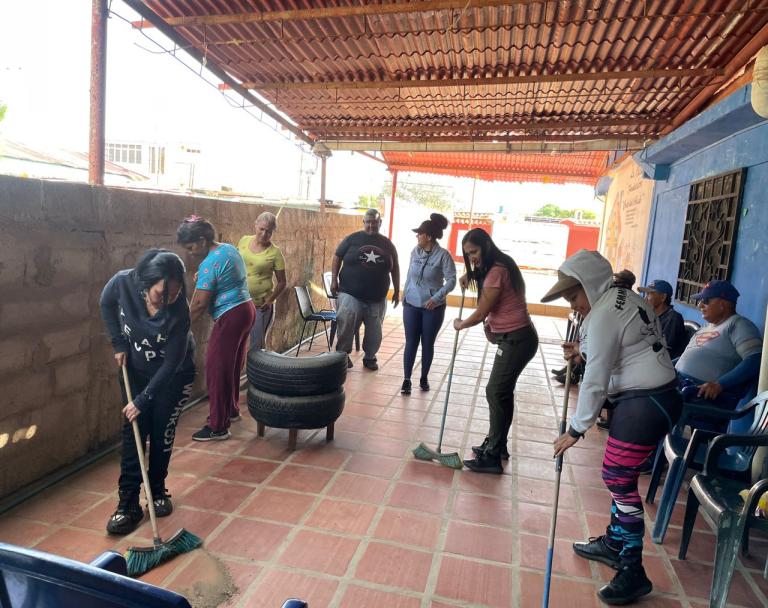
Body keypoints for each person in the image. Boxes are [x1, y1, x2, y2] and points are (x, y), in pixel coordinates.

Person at [543, 249, 681, 605]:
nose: (574, 305)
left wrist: (576, 429)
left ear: (589, 284)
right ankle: (616, 543)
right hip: (653, 397)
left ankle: (633, 569)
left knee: (618, 478)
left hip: (645, 402)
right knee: (619, 477)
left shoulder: (603, 313)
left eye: (573, 296)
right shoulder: (621, 298)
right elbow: (625, 347)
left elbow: (595, 379)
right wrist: (582, 352)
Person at [99, 249, 196, 535]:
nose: (168, 301)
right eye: (161, 294)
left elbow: (172, 363)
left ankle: (156, 490)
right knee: (134, 433)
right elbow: (106, 303)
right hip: (135, 370)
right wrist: (118, 343)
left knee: (161, 430)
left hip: (173, 376)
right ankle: (128, 504)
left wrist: (144, 399)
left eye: (175, 294)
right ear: (145, 283)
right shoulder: (123, 282)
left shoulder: (179, 311)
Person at [454, 228, 538, 474]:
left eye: (475, 252)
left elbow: (481, 312)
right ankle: (497, 445)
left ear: (487, 246)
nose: (472, 258)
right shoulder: (500, 264)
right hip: (516, 338)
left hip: (516, 340)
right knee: (502, 392)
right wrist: (469, 276)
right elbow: (483, 279)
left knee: (496, 391)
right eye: (468, 255)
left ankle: (492, 456)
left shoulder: (497, 271)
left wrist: (460, 324)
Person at [177, 216, 255, 441]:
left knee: (216, 369)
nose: (190, 252)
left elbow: (199, 304)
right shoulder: (227, 249)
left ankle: (218, 426)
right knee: (231, 366)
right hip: (245, 309)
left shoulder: (209, 263)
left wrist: (178, 328)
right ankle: (231, 410)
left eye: (191, 247)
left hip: (230, 315)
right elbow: (225, 277)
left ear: (202, 240)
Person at [675, 280, 762, 421]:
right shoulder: (705, 327)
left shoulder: (738, 324)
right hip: (678, 384)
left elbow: (755, 359)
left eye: (706, 301)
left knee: (653, 403)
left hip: (699, 393)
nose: (700, 305)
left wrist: (720, 384)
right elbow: (685, 357)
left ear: (723, 304)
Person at [330, 208, 400, 370]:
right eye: (368, 222)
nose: (371, 225)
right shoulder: (352, 239)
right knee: (346, 324)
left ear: (380, 223)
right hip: (350, 293)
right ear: (363, 222)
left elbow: (395, 267)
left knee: (375, 330)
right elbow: (337, 256)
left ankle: (370, 357)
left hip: (377, 297)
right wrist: (334, 280)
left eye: (374, 222)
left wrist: (397, 290)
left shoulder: (387, 244)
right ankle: (342, 355)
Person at [401, 213, 456, 395]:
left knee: (427, 343)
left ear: (429, 237)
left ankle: (424, 377)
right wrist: (405, 294)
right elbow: (409, 274)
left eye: (420, 233)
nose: (417, 236)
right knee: (411, 342)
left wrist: (436, 298)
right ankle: (406, 379)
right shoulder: (415, 252)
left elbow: (451, 280)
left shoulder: (443, 256)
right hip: (412, 304)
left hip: (433, 307)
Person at [238, 212, 287, 353]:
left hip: (261, 306)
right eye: (262, 229)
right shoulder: (244, 241)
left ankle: (255, 368)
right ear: (256, 225)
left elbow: (282, 282)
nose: (264, 234)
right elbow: (232, 262)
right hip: (240, 302)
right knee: (238, 342)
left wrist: (271, 300)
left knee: (256, 346)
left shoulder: (275, 253)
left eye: (269, 231)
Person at [637, 279, 686, 359]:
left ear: (663, 297)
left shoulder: (673, 318)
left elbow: (662, 349)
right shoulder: (650, 316)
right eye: (646, 294)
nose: (645, 298)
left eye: (649, 294)